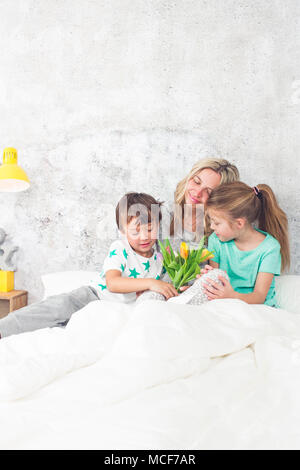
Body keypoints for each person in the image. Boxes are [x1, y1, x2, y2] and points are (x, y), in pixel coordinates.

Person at [0, 192, 177, 338]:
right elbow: (113, 283)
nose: (145, 236)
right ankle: (4, 328)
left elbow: (168, 285)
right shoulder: (120, 248)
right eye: (136, 230)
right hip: (92, 297)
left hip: (113, 312)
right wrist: (151, 283)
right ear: (123, 231)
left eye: (150, 228)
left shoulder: (160, 259)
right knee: (55, 309)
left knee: (74, 333)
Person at [169, 182, 290, 307]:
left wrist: (231, 296)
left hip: (255, 307)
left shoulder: (269, 248)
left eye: (216, 223)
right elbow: (216, 278)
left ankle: (180, 304)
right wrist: (203, 280)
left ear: (239, 223)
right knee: (215, 275)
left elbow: (259, 296)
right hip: (223, 303)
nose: (211, 227)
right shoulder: (216, 240)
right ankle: (180, 303)